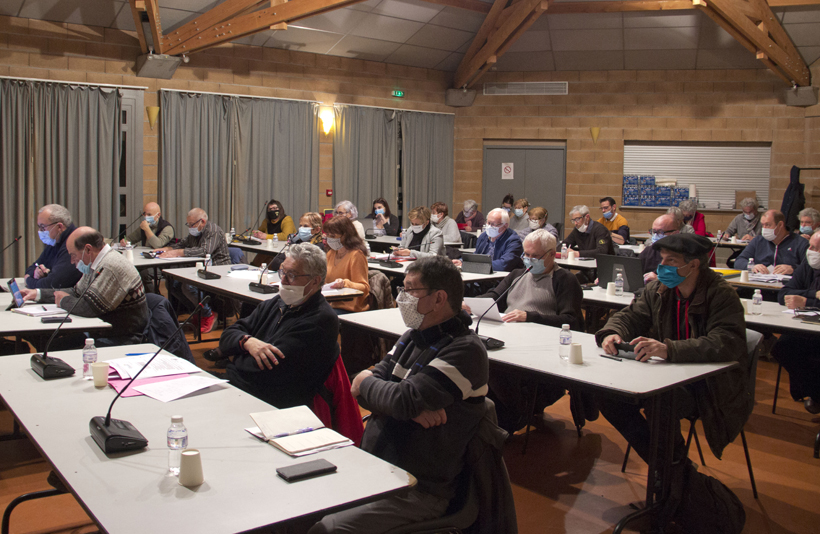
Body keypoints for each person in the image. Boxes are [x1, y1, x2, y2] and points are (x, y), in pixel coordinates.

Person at [309, 256, 488, 534]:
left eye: (410, 291)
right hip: (378, 467)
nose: (401, 297)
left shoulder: (466, 350)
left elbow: (399, 398)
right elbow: (361, 385)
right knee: (300, 507)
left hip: (419, 487)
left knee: (329, 529)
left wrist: (396, 400)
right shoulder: (412, 336)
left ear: (439, 298)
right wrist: (401, 403)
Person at [596, 233, 749, 486]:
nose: (662, 267)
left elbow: (726, 342)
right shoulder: (659, 289)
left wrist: (668, 349)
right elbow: (629, 316)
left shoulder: (720, 294)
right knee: (608, 395)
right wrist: (612, 333)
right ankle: (671, 469)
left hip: (710, 385)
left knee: (661, 401)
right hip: (666, 374)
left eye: (671, 260)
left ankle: (671, 474)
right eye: (662, 259)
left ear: (693, 265)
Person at [471, 230, 584, 431]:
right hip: (508, 338)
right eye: (526, 255)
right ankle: (502, 412)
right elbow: (494, 296)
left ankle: (516, 411)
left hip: (540, 346)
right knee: (479, 359)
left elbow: (570, 320)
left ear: (551, 254)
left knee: (496, 368)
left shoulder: (565, 280)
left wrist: (530, 316)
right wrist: (467, 304)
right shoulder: (517, 274)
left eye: (535, 256)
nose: (529, 260)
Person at [218, 244, 339, 408]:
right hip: (240, 387)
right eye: (282, 272)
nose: (283, 280)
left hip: (271, 403)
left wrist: (235, 355)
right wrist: (248, 342)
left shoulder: (321, 320)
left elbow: (268, 371)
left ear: (315, 281)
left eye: (292, 275)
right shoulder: (277, 303)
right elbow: (226, 337)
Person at [20, 227, 149, 348]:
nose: (71, 261)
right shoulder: (97, 263)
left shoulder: (111, 266)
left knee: (52, 347)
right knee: (49, 343)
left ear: (88, 249)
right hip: (103, 332)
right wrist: (37, 294)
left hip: (120, 339)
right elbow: (76, 291)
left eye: (73, 255)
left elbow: (90, 308)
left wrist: (64, 300)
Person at [157, 208, 231, 333]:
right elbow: (183, 243)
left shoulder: (213, 231)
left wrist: (178, 253)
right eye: (188, 224)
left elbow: (204, 251)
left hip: (218, 269)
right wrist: (166, 249)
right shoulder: (195, 233)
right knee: (172, 283)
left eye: (192, 224)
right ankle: (199, 311)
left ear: (202, 221)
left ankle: (208, 314)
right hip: (200, 269)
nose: (190, 227)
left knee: (188, 286)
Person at [772, 230, 820, 414]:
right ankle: (815, 394)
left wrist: (806, 301)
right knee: (782, 347)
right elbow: (784, 294)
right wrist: (812, 296)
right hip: (803, 325)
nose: (811, 252)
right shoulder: (808, 265)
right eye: (811, 247)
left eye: (815, 248)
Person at [24, 204, 82, 290]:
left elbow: (53, 284)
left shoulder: (73, 244)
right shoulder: (55, 241)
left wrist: (28, 280)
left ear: (59, 227)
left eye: (43, 227)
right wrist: (37, 272)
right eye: (39, 227)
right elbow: (33, 266)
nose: (40, 231)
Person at [735, 210, 808, 274]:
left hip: (786, 285)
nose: (764, 229)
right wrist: (752, 267)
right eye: (762, 225)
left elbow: (809, 268)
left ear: (780, 225)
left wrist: (793, 269)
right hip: (760, 283)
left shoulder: (800, 243)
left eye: (768, 225)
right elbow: (739, 261)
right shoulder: (758, 241)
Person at [323, 215, 370, 314]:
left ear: (345, 235)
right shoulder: (331, 253)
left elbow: (364, 288)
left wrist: (345, 283)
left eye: (333, 236)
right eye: (327, 235)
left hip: (350, 308)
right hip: (331, 303)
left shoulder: (356, 255)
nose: (329, 239)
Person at [454, 208, 523, 272]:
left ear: (505, 225)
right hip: (482, 275)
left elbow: (504, 264)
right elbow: (477, 255)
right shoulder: (483, 236)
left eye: (493, 224)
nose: (489, 226)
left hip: (500, 279)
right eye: (488, 223)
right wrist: (462, 262)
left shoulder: (513, 241)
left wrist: (476, 265)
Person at [641, 214, 682, 283]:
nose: (656, 235)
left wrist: (658, 279)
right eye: (654, 231)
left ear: (675, 233)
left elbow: (683, 281)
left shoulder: (682, 254)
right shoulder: (649, 250)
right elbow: (634, 271)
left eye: (660, 232)